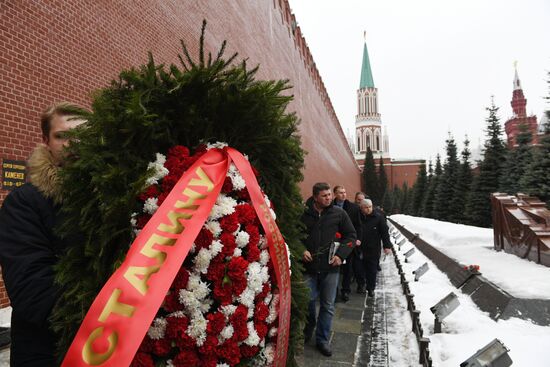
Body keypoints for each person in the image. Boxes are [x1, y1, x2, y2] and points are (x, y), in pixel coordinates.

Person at [0, 102, 86, 366]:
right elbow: (32, 292)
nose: (74, 144)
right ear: (46, 140)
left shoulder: (112, 199)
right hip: (47, 353)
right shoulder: (23, 202)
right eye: (62, 136)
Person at [301, 182, 356, 357]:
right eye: (324, 196)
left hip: (330, 269)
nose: (329, 198)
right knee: (308, 302)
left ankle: (322, 339)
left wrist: (341, 255)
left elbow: (351, 236)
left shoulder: (339, 213)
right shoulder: (303, 213)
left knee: (327, 305)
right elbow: (294, 234)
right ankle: (309, 327)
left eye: (329, 195)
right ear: (315, 197)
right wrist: (301, 249)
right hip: (308, 269)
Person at [356, 198, 392, 297]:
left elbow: (384, 233)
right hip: (358, 247)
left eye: (370, 207)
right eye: (365, 207)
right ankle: (361, 284)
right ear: (361, 208)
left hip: (373, 248)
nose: (368, 209)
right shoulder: (357, 216)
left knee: (372, 270)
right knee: (358, 268)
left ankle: (371, 288)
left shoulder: (378, 217)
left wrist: (387, 246)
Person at [332, 185, 362, 301]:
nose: (343, 194)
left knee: (348, 268)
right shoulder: (330, 206)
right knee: (333, 266)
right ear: (335, 194)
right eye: (340, 192)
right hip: (333, 241)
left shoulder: (353, 208)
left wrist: (358, 239)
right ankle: (333, 291)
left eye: (344, 192)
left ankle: (345, 291)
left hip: (348, 241)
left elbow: (358, 226)